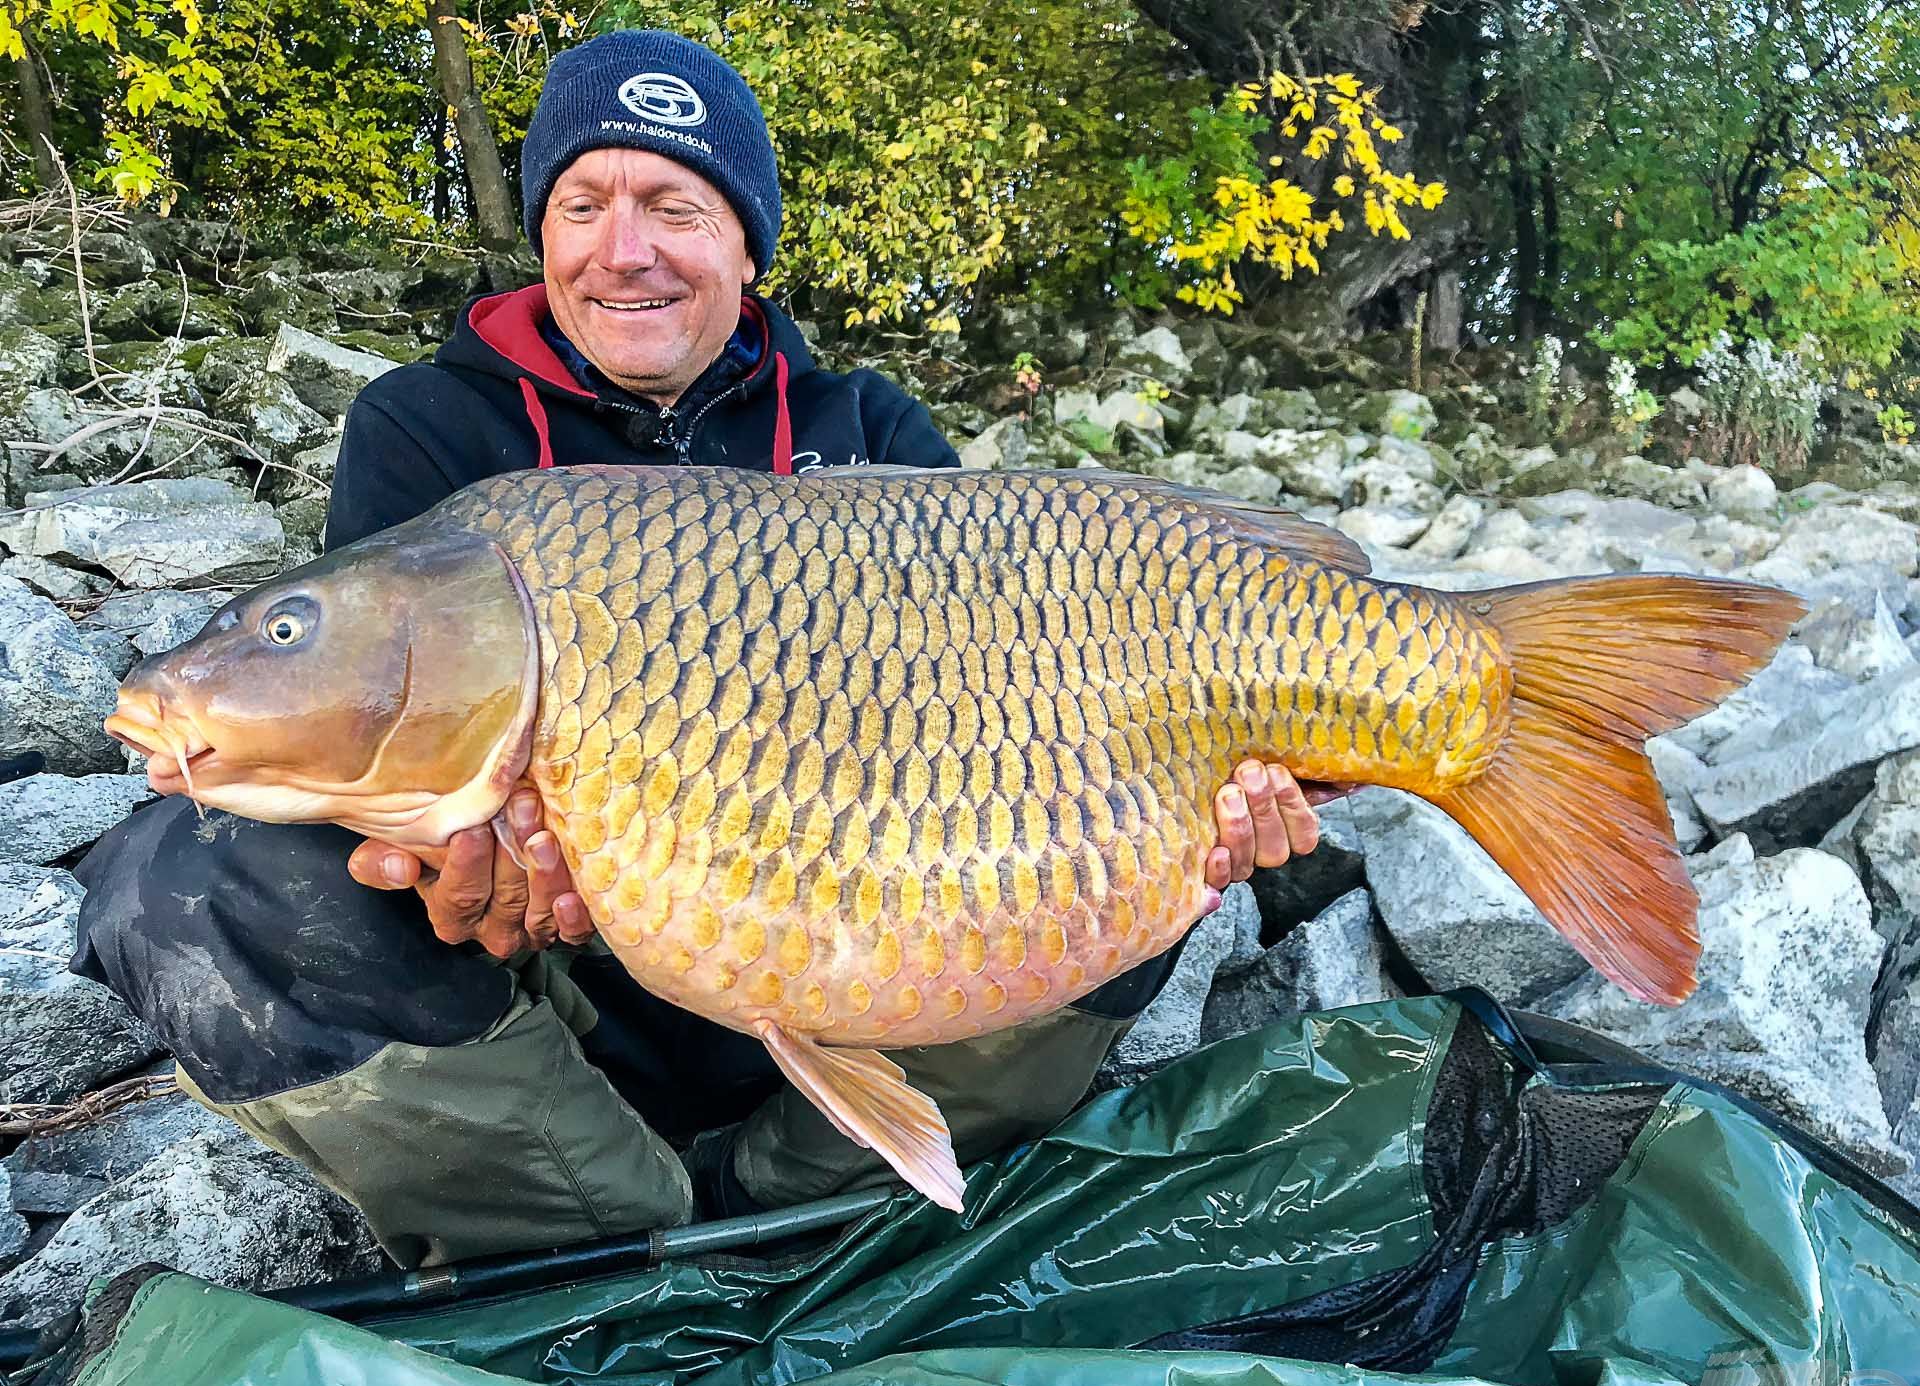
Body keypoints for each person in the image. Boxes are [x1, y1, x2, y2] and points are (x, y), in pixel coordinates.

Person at [73, 29, 1321, 1268]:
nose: (626, 250)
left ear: (743, 241)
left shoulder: (868, 426)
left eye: (675, 204)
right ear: (545, 234)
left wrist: (1200, 796)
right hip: (546, 1030)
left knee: (1143, 859)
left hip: (869, 937)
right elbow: (384, 775)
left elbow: (1008, 711)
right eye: (582, 204)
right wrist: (459, 859)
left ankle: (793, 1203)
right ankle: (600, 1239)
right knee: (181, 878)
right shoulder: (427, 427)